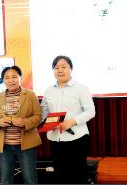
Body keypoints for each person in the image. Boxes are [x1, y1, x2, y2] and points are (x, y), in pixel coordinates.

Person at [40, 55, 96, 184]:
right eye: (56, 68)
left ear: (71, 68)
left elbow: (90, 111)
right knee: (60, 175)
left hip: (77, 137)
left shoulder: (81, 88)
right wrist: (39, 122)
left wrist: (72, 121)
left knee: (77, 175)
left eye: (63, 67)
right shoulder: (49, 90)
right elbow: (43, 112)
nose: (60, 70)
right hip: (55, 138)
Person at [0, 66, 42, 184]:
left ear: (20, 78)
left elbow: (38, 116)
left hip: (26, 145)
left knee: (30, 180)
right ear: (3, 80)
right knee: (5, 180)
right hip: (4, 146)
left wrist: (24, 122)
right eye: (7, 78)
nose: (11, 80)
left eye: (14, 77)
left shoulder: (30, 95)